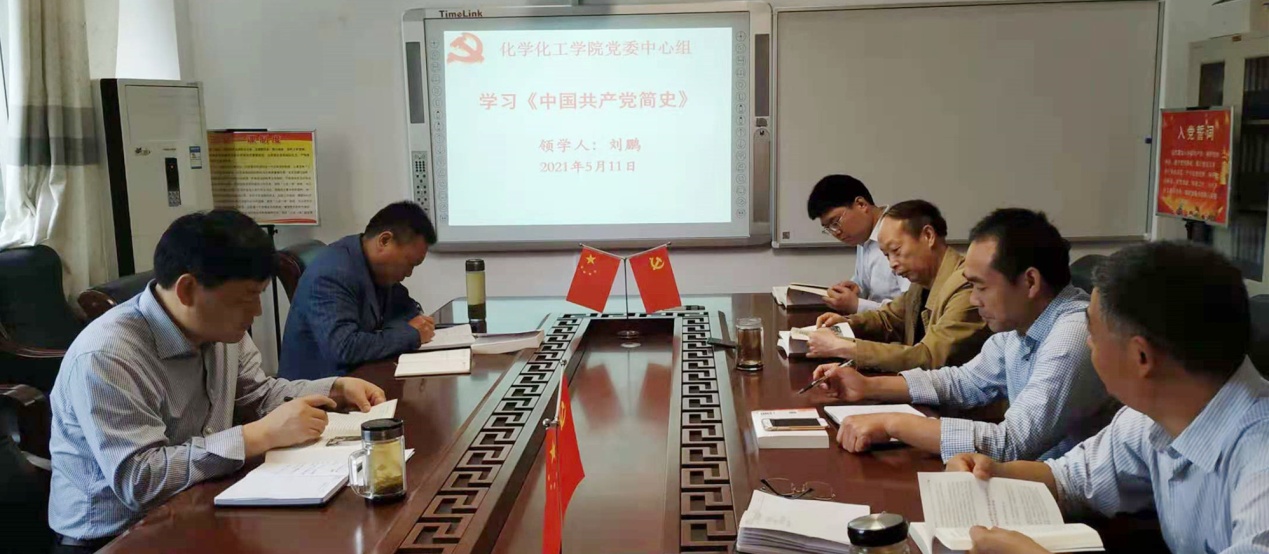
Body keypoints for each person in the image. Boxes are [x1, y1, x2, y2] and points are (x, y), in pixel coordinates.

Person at [47, 210, 386, 553]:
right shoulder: (108, 355)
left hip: (199, 503)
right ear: (188, 289)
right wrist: (257, 436)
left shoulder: (220, 328)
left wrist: (334, 389)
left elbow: (258, 394)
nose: (256, 311)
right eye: (246, 297)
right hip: (117, 539)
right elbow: (141, 480)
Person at [947, 241, 1269, 554]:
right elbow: (1072, 480)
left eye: (1093, 334)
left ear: (1141, 357)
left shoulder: (1260, 459)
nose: (1087, 344)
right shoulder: (1153, 413)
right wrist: (994, 473)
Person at [812, 209, 1116, 462]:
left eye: (981, 287)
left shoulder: (1072, 335)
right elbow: (963, 382)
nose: (974, 299)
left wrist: (894, 423)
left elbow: (1011, 443)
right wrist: (868, 386)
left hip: (1069, 504)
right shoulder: (1022, 324)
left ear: (1030, 282)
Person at [809, 200, 990, 372]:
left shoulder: (967, 285)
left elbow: (930, 357)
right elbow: (889, 319)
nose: (892, 264)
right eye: (887, 255)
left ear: (928, 236)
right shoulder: (921, 282)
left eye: (896, 250)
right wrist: (847, 325)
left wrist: (846, 348)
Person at [281, 201, 437, 380]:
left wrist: (413, 326)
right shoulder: (332, 273)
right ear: (384, 241)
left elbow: (408, 310)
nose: (409, 273)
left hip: (360, 377)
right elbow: (345, 348)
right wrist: (411, 334)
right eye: (409, 263)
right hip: (320, 389)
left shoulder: (374, 267)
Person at [806, 174, 910, 314]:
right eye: (828, 228)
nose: (836, 232)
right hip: (874, 322)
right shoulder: (863, 238)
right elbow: (867, 287)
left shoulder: (900, 235)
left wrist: (857, 305)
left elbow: (912, 308)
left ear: (861, 204)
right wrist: (856, 290)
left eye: (835, 222)